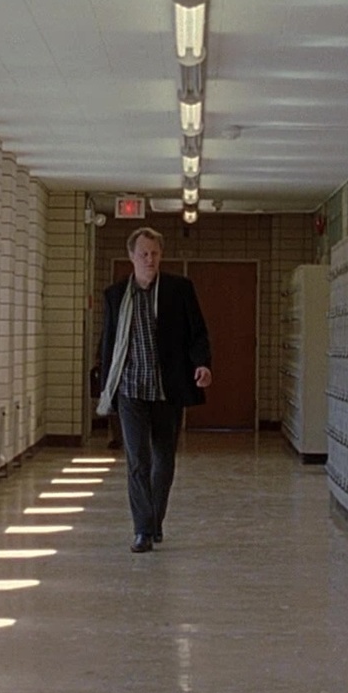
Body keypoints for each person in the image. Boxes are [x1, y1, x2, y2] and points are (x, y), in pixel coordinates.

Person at [96, 227, 213, 553]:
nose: (150, 259)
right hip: (131, 388)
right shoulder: (116, 295)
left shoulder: (179, 290)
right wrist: (106, 387)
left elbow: (198, 334)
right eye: (144, 254)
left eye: (155, 254)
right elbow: (108, 343)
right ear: (132, 256)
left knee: (163, 460)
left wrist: (202, 365)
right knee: (138, 460)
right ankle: (142, 530)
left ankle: (155, 520)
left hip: (166, 388)